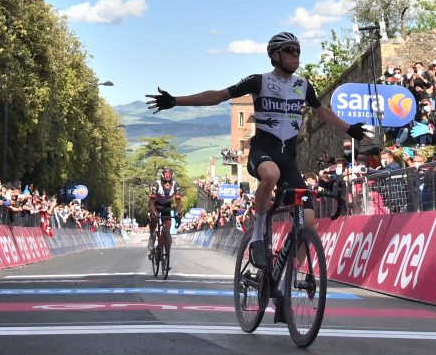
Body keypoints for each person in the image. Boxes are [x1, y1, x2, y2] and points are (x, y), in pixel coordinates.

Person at [146, 31, 369, 273]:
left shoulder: (303, 85)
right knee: (270, 174)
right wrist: (176, 101)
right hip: (263, 152)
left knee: (310, 225)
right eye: (289, 50)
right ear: (275, 55)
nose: (295, 55)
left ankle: (288, 279)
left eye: (298, 51)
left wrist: (349, 128)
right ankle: (258, 235)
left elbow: (321, 110)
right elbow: (218, 96)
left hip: (289, 161)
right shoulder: (259, 81)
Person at [147, 167, 183, 259]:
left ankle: (165, 250)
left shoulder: (175, 185)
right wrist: (154, 212)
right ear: (162, 180)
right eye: (165, 182)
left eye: (169, 182)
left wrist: (178, 213)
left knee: (167, 229)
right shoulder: (157, 184)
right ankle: (152, 236)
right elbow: (151, 202)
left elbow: (179, 202)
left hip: (166, 205)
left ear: (172, 180)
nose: (167, 184)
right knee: (154, 219)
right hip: (155, 204)